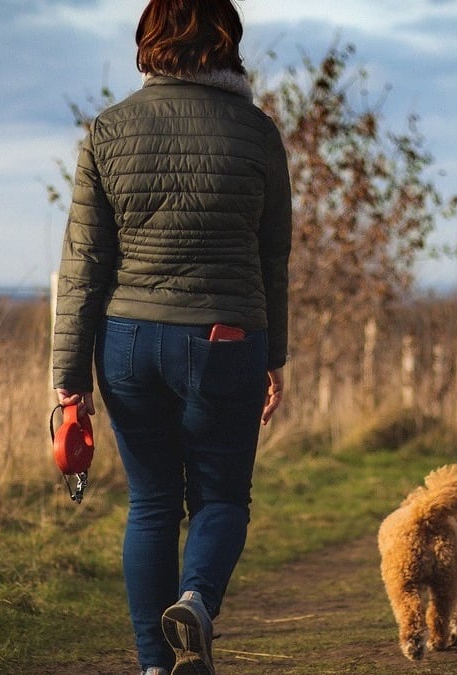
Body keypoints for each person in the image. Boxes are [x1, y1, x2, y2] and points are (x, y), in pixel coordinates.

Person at [50, 0, 292, 672]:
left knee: (151, 502)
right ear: (227, 42)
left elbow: (83, 265)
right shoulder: (257, 132)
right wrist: (276, 356)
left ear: (150, 40)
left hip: (128, 343)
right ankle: (196, 600)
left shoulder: (109, 130)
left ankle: (156, 664)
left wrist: (68, 378)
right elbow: (274, 257)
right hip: (224, 339)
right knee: (220, 497)